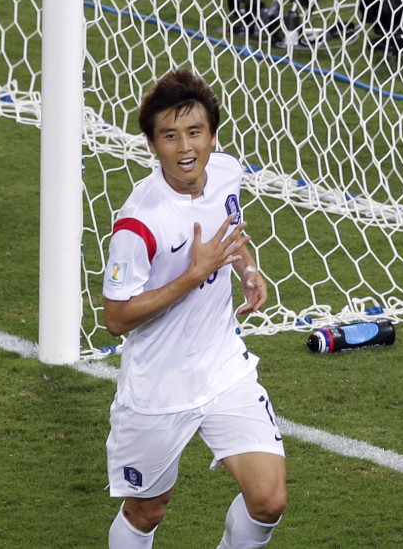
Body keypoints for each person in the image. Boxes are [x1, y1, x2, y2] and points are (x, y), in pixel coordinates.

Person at [102, 69, 286, 548]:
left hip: (223, 367)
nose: (185, 147)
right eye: (169, 135)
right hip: (158, 388)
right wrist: (191, 275)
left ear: (212, 135)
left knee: (268, 500)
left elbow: (230, 222)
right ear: (152, 144)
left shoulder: (226, 169)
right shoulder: (138, 224)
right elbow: (116, 318)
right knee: (148, 509)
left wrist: (247, 268)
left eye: (195, 132)